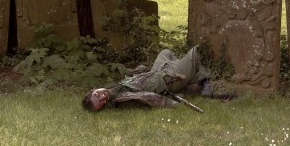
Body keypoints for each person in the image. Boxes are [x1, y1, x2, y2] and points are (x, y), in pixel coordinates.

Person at [82, 46, 213, 111]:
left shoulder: (113, 88)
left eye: (97, 95)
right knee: (197, 50)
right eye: (102, 103)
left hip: (156, 72)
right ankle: (205, 80)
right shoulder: (120, 97)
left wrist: (137, 71)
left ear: (94, 89)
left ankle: (191, 80)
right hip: (169, 79)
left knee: (165, 52)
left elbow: (135, 79)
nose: (103, 97)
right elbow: (149, 96)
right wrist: (175, 105)